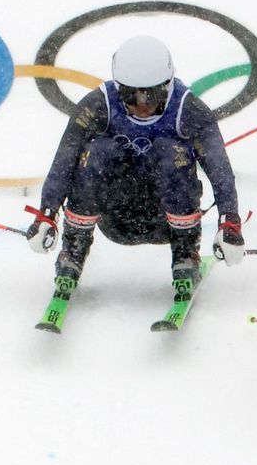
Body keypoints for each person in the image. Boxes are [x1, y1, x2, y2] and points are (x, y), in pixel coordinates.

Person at [26, 35, 244, 310]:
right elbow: (65, 159)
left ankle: (185, 255)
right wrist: (47, 212)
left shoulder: (189, 110)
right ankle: (73, 251)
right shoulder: (96, 106)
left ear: (167, 86)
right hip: (115, 214)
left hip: (166, 218)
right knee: (96, 151)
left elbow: (219, 169)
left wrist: (230, 222)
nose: (143, 104)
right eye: (132, 94)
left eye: (151, 94)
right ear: (118, 88)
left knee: (170, 152)